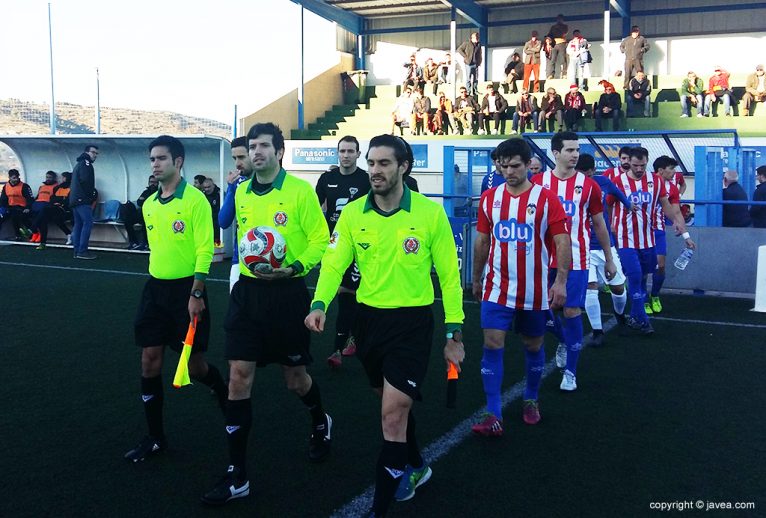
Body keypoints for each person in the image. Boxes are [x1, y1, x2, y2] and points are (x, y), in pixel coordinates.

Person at [305, 134, 465, 516]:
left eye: (384, 164)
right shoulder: (354, 213)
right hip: (368, 322)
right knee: (388, 401)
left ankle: (379, 508)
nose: (374, 171)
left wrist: (453, 332)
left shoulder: (428, 214)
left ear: (403, 167)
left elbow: (449, 276)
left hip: (411, 325)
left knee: (392, 415)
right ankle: (418, 466)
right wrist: (319, 303)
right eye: (372, 164)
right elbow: (333, 262)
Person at [202, 123, 331, 506]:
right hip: (247, 294)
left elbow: (321, 240)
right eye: (252, 146)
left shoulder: (299, 192)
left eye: (263, 146)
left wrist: (293, 267)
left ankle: (320, 421)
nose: (256, 152)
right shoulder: (241, 191)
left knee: (295, 379)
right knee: (238, 377)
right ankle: (238, 475)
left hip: (287, 295)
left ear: (279, 152)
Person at [125, 135, 228, 463]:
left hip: (188, 292)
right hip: (155, 291)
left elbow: (204, 248)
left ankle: (222, 391)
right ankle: (155, 437)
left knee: (195, 366)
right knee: (149, 359)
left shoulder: (195, 200)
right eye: (152, 159)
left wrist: (197, 291)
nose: (154, 164)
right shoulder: (149, 204)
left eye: (161, 159)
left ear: (178, 162)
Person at [472, 137, 570, 434]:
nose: (508, 171)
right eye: (503, 166)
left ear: (529, 164)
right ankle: (493, 414)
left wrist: (561, 281)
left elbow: (561, 240)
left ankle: (531, 398)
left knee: (533, 345)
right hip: (496, 287)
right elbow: (483, 241)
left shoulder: (546, 199)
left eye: (515, 166)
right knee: (491, 344)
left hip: (535, 290)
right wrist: (476, 278)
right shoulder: (490, 198)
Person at [531, 132, 616, 391]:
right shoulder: (537, 182)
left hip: (577, 259)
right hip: (543, 259)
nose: (575, 154)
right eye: (569, 150)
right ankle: (564, 340)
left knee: (570, 312)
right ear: (555, 153)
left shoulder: (588, 185)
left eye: (577, 149)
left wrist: (609, 258)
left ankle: (571, 372)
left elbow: (599, 223)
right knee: (540, 313)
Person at [608, 147, 695, 335]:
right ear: (628, 162)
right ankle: (643, 320)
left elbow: (665, 205)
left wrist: (678, 224)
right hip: (625, 238)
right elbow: (607, 206)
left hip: (648, 238)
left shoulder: (655, 181)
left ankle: (635, 314)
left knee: (644, 277)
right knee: (635, 275)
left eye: (643, 165)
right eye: (635, 165)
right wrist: (610, 227)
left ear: (647, 162)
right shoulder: (617, 182)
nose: (639, 169)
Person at [315, 136, 370, 368]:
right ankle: (348, 341)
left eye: (350, 151)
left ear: (358, 154)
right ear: (337, 153)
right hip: (335, 243)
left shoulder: (366, 180)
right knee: (344, 293)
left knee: (349, 293)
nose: (346, 155)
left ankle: (343, 346)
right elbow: (317, 210)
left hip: (360, 245)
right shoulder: (327, 179)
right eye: (342, 151)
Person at [576, 153, 631, 347]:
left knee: (618, 287)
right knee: (590, 287)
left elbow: (617, 193)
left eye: (585, 173)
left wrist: (628, 205)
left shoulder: (602, 182)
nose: (581, 176)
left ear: (592, 171)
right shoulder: (570, 187)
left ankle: (620, 316)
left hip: (605, 245)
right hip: (583, 246)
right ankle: (597, 331)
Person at [647, 156, 683, 315]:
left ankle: (654, 295)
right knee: (642, 269)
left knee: (660, 266)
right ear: (660, 170)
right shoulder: (645, 182)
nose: (674, 172)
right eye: (671, 168)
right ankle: (641, 300)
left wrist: (685, 234)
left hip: (659, 230)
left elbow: (676, 212)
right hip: (639, 231)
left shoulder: (673, 189)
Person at [69, 144, 99, 259]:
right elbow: (86, 180)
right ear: (87, 152)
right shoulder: (86, 164)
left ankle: (77, 250)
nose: (95, 155)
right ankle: (82, 250)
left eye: (96, 153)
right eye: (93, 152)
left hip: (75, 199)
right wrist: (90, 196)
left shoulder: (79, 164)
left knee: (79, 224)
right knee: (87, 223)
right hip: (82, 199)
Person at [121, 175, 158, 250]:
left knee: (146, 220)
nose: (153, 184)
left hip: (154, 216)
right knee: (127, 219)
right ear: (148, 183)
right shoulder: (146, 192)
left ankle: (146, 243)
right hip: (142, 214)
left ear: (158, 183)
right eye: (151, 182)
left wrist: (145, 201)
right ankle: (134, 242)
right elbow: (139, 202)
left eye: (155, 182)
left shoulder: (160, 192)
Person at [0, 169, 34, 240]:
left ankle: (20, 235)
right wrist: (4, 208)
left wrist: (28, 207)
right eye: (14, 178)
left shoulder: (24, 186)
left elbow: (30, 198)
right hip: (10, 207)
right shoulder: (6, 186)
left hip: (22, 207)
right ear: (9, 178)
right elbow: (3, 199)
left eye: (17, 177)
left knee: (15, 216)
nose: (16, 179)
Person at [28, 170, 59, 248]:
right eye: (47, 177)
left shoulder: (56, 187)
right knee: (23, 214)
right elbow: (38, 197)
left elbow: (55, 199)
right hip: (37, 205)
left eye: (50, 177)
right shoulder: (42, 187)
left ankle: (35, 232)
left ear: (54, 178)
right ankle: (35, 232)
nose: (48, 179)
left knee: (42, 218)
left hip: (47, 207)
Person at [49, 171, 73, 245]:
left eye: (63, 178)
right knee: (44, 213)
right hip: (55, 208)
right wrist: (59, 200)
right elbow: (52, 198)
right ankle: (40, 238)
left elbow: (68, 201)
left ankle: (32, 230)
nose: (61, 179)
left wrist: (60, 201)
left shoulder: (72, 188)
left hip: (66, 210)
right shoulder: (57, 188)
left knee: (54, 216)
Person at [457, 32, 482, 96]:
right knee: (468, 78)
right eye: (476, 37)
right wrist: (465, 56)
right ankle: (468, 91)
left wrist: (479, 62)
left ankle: (475, 91)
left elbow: (479, 54)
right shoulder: (466, 43)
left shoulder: (478, 45)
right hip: (468, 63)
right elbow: (459, 49)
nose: (477, 39)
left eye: (477, 37)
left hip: (476, 63)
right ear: (472, 38)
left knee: (476, 78)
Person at [201, 177, 221, 245]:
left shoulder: (220, 194)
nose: (207, 189)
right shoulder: (202, 195)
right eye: (205, 187)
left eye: (208, 187)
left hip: (217, 223)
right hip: (206, 222)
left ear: (213, 185)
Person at [548, 14, 568, 79]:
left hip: (561, 43)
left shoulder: (565, 26)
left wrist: (556, 32)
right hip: (554, 44)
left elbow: (563, 34)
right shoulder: (553, 27)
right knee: (552, 60)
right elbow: (549, 34)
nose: (559, 20)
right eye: (558, 19)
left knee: (563, 59)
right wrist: (548, 40)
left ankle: (564, 74)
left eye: (560, 19)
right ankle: (551, 74)